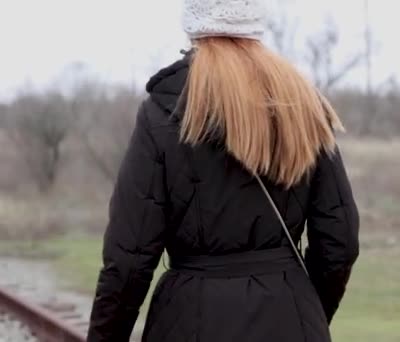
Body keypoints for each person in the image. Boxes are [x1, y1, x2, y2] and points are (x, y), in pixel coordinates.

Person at [86, 0, 360, 341]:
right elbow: (340, 241)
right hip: (288, 316)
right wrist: (303, 310)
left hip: (188, 321)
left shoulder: (163, 112)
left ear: (192, 24)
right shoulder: (303, 103)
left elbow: (128, 260)